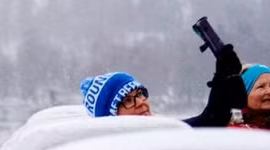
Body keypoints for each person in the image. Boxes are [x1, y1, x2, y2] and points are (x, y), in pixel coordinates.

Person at [79, 45, 246, 127]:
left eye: (140, 94)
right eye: (127, 101)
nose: (140, 103)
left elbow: (208, 122)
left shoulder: (159, 132)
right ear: (110, 117)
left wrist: (223, 78)